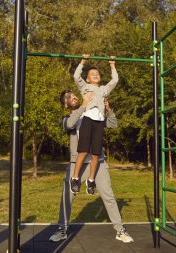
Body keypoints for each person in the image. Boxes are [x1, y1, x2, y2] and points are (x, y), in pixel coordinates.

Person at [49, 90, 133, 243]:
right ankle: (62, 229)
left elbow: (113, 124)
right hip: (77, 165)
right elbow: (69, 124)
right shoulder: (67, 118)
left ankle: (120, 230)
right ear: (66, 104)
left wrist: (108, 110)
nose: (73, 96)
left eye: (73, 94)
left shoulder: (95, 116)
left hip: (98, 163)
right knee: (67, 197)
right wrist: (84, 105)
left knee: (109, 196)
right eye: (68, 97)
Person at [70, 55, 118, 195]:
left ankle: (91, 180)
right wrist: (83, 62)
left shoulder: (104, 89)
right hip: (88, 119)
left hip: (99, 121)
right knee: (83, 151)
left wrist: (112, 65)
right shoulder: (85, 87)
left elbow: (115, 80)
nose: (96, 75)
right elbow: (76, 76)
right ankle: (75, 177)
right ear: (88, 79)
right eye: (92, 74)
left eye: (97, 73)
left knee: (96, 154)